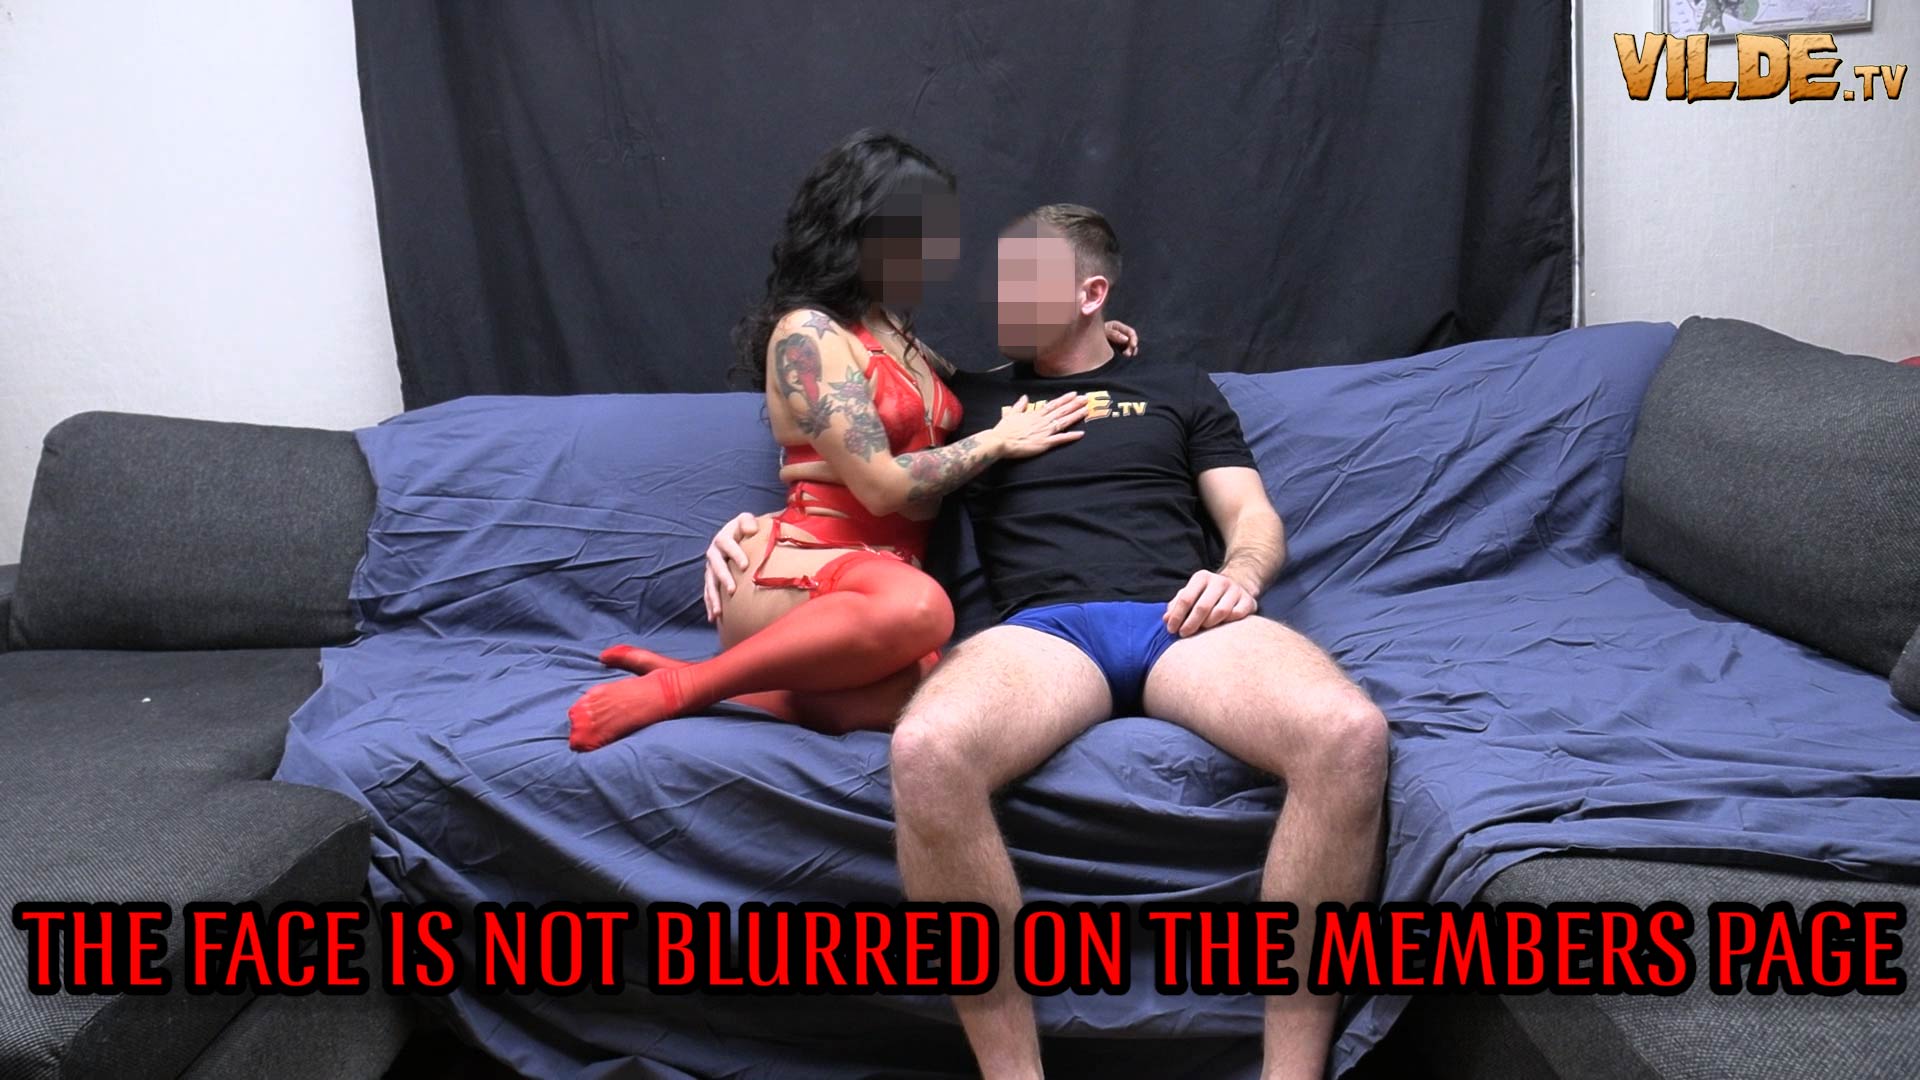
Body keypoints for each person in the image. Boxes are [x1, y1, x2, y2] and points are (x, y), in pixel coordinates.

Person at [704, 205, 1389, 1079]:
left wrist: (1241, 578)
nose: (998, 295)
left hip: (1180, 619)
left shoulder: (1178, 387)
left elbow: (1251, 515)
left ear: (1090, 293)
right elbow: (860, 461)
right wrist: (756, 531)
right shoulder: (970, 401)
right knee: (928, 750)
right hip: (1044, 634)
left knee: (1349, 735)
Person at [568, 132, 1138, 751]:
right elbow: (882, 486)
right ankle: (683, 689)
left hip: (879, 595)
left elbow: (978, 390)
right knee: (924, 610)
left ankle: (738, 690)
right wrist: (995, 444)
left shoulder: (893, 330)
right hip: (798, 571)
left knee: (928, 687)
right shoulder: (808, 333)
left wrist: (1081, 334)